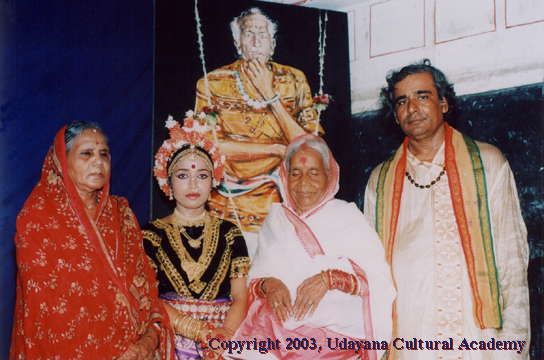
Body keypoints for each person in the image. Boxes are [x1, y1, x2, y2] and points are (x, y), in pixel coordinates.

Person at [364, 59, 530, 359]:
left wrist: (512, 346)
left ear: (443, 102)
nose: (412, 108)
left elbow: (512, 262)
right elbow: (372, 275)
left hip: (478, 340)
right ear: (395, 114)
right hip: (409, 342)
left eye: (422, 96)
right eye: (402, 101)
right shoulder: (381, 180)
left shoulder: (487, 163)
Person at [10, 121, 174, 360]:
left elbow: (145, 284)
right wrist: (116, 350)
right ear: (62, 161)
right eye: (86, 153)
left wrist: (150, 338)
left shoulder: (121, 213)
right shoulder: (36, 221)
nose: (98, 161)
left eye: (104, 154)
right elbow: (49, 313)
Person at [230, 134, 396, 359]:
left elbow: (377, 282)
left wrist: (330, 279)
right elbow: (254, 282)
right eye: (295, 173)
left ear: (329, 176)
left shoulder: (347, 216)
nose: (303, 182)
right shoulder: (276, 220)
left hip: (338, 336)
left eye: (313, 173)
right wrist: (270, 284)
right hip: (275, 336)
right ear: (285, 177)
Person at [195, 7, 322, 258]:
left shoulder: (294, 80)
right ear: (237, 42)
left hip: (283, 201)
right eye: (248, 34)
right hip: (227, 203)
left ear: (272, 44)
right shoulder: (212, 81)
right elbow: (209, 148)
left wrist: (270, 96)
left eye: (262, 35)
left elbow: (311, 146)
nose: (255, 41)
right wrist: (275, 149)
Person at [143, 113, 250, 360]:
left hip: (223, 339)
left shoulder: (231, 234)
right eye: (183, 176)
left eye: (202, 175)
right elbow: (147, 296)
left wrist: (224, 335)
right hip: (167, 337)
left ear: (213, 181)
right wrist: (196, 330)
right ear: (167, 182)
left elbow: (240, 296)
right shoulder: (151, 235)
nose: (193, 184)